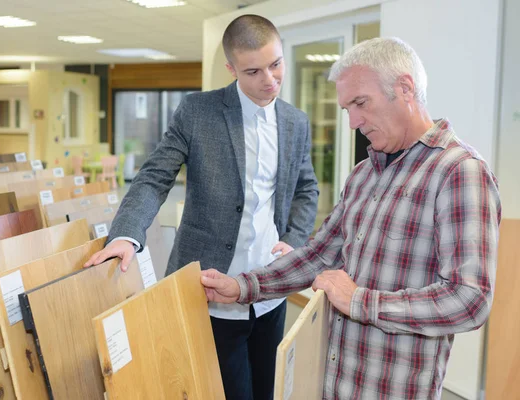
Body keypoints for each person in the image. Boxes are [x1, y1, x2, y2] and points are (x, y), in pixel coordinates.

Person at [201, 37, 502, 399]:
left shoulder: (459, 172)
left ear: (405, 88)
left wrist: (359, 300)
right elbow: (319, 255)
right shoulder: (363, 174)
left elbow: (469, 300)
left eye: (361, 103)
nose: (353, 122)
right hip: (335, 385)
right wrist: (242, 287)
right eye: (347, 109)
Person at [84, 14, 319, 400]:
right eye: (254, 71)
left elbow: (306, 188)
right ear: (231, 69)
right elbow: (154, 176)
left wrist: (294, 239)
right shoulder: (198, 112)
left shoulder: (295, 121)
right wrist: (127, 234)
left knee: (267, 389)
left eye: (276, 65)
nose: (270, 80)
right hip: (208, 290)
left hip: (269, 289)